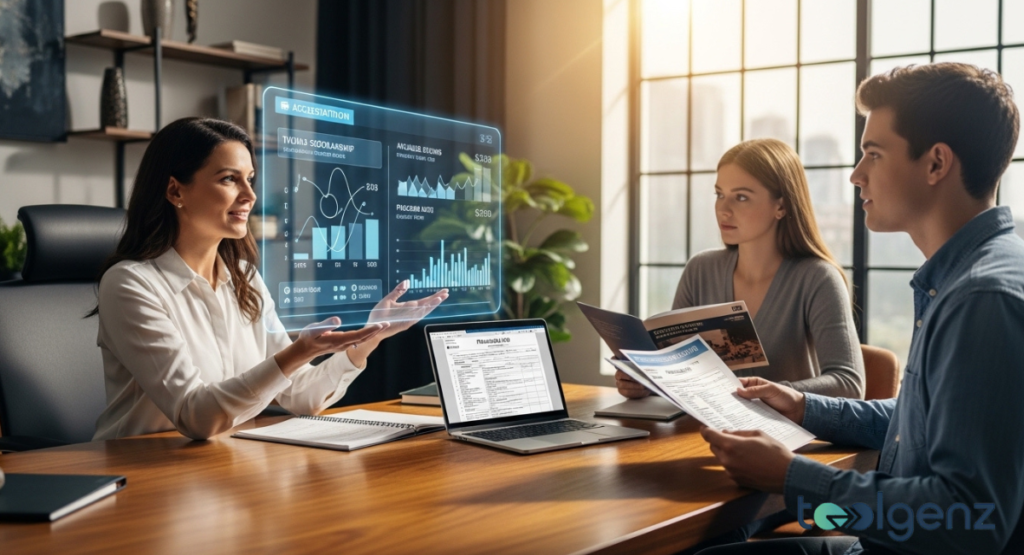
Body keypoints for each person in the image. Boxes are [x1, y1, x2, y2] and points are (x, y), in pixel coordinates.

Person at [697, 63, 1023, 555]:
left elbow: (970, 522)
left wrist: (791, 477)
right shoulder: (965, 276)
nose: (855, 175)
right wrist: (805, 406)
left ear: (936, 164)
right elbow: (921, 420)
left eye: (873, 154)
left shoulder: (981, 300)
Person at [91, 118, 448, 441]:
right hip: (139, 471)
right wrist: (298, 351)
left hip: (220, 466)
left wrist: (370, 337)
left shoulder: (243, 277)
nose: (250, 196)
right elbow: (196, 416)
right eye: (229, 179)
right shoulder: (130, 285)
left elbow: (301, 397)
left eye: (250, 179)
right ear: (175, 191)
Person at [616, 138, 865, 401]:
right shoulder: (701, 269)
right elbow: (678, 368)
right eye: (719, 194)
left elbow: (848, 385)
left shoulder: (818, 278)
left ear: (781, 206)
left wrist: (769, 392)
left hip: (783, 436)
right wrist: (646, 381)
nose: (723, 209)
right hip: (702, 429)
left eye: (741, 197)